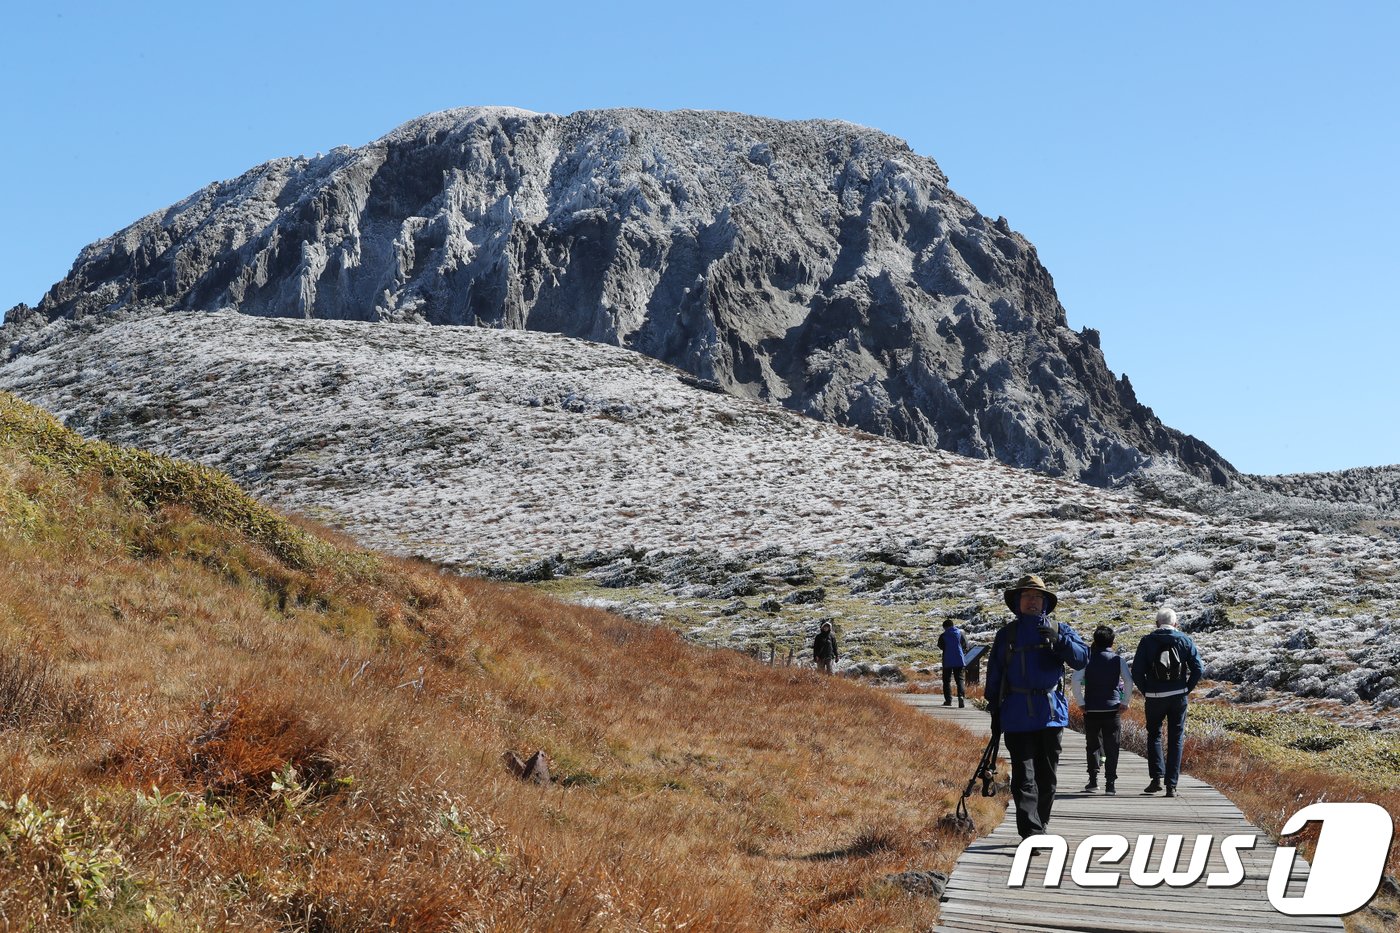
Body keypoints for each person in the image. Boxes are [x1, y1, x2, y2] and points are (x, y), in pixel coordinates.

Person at [984, 574, 1089, 838]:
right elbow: (994, 674)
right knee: (1023, 776)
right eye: (1027, 596)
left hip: (1051, 714)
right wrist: (995, 711)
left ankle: (1040, 823)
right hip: (1017, 714)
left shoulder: (1060, 629)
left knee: (1047, 776)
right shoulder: (1006, 634)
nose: (1032, 601)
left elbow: (1081, 659)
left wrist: (1060, 641)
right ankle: (1031, 832)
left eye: (1037, 597)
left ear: (1045, 603)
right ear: (1018, 602)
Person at [1130, 608, 1204, 798]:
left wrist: (1147, 690)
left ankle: (1156, 779)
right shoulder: (1185, 640)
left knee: (1154, 734)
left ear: (1156, 623)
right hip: (1178, 696)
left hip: (1155, 696)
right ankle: (1171, 785)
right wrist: (1187, 688)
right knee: (1176, 737)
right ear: (1176, 624)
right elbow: (1198, 668)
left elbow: (1137, 671)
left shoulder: (1147, 641)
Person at [1070, 625, 1133, 795]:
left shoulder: (1087, 659)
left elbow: (1075, 680)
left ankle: (1092, 781)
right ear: (1112, 641)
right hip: (1112, 710)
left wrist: (1081, 702)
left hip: (1091, 709)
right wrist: (1124, 702)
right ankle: (1110, 784)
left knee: (1092, 745)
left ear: (1095, 640)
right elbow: (1128, 681)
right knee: (1112, 746)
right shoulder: (1117, 660)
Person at [937, 618, 971, 707]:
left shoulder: (943, 635)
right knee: (959, 680)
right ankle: (961, 696)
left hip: (947, 660)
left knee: (946, 681)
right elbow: (966, 645)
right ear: (953, 625)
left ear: (945, 627)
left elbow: (941, 646)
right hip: (959, 660)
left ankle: (948, 700)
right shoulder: (961, 633)